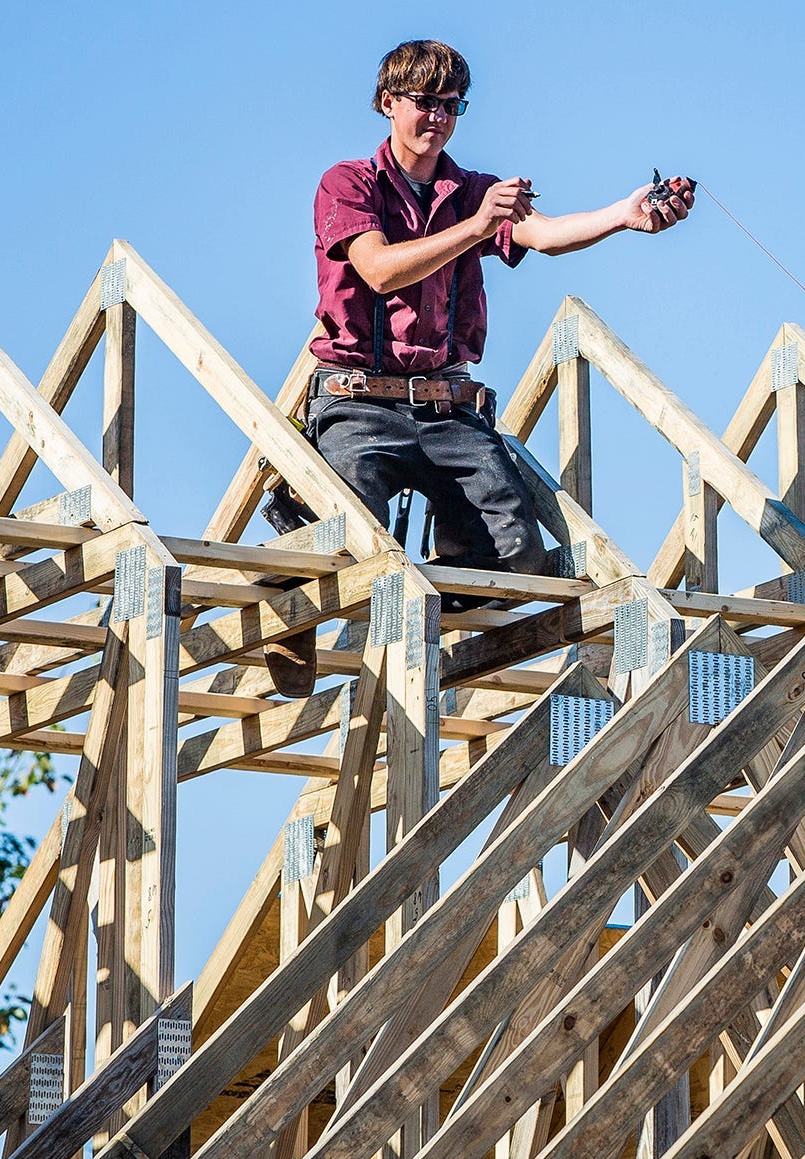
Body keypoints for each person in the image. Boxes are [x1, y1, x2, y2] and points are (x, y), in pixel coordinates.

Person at [262, 37, 695, 695]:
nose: (437, 117)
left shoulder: (473, 190)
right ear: (388, 103)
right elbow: (377, 270)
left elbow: (542, 234)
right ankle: (288, 583)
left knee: (516, 554)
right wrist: (473, 228)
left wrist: (624, 216)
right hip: (358, 402)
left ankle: (425, 616)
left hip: (446, 409)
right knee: (353, 543)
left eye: (452, 105)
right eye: (424, 103)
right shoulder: (349, 183)